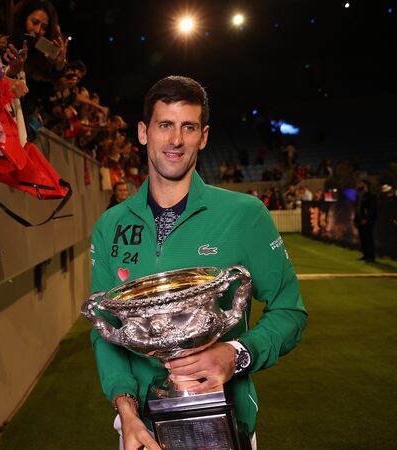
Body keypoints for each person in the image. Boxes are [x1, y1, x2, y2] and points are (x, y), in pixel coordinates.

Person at [88, 76, 307, 450]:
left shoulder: (245, 214)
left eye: (188, 127)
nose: (176, 140)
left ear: (203, 136)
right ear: (143, 132)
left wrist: (236, 355)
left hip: (225, 425)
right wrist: (125, 409)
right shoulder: (111, 225)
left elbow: (290, 310)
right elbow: (105, 330)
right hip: (140, 431)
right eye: (165, 125)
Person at [354, 179, 377, 262]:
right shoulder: (359, 195)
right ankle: (365, 255)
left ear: (365, 185)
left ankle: (371, 256)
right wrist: (356, 220)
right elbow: (358, 208)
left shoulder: (371, 195)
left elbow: (372, 209)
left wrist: (366, 219)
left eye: (360, 184)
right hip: (360, 220)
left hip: (368, 221)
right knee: (363, 238)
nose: (358, 185)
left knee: (368, 238)